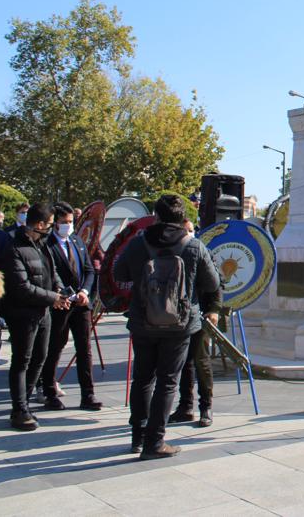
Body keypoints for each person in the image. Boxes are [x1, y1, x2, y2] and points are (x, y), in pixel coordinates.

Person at [115, 195, 221, 459]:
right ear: (182, 217)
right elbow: (212, 283)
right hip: (179, 324)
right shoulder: (193, 245)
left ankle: (137, 437)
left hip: (142, 321)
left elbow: (119, 274)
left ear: (156, 215)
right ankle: (155, 442)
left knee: (142, 379)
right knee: (167, 381)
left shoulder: (138, 243)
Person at [0, 202, 70, 430]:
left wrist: (59, 291)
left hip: (43, 312)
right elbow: (21, 287)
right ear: (39, 224)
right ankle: (19, 409)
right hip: (22, 314)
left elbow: (53, 271)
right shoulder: (14, 248)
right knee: (22, 361)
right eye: (50, 225)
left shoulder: (42, 245)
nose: (53, 228)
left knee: (40, 358)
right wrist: (52, 297)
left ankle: (25, 403)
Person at [41, 202, 100, 411]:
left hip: (81, 304)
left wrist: (84, 291)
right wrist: (68, 294)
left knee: (84, 348)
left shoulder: (77, 241)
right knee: (54, 347)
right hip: (60, 303)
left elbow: (89, 269)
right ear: (55, 223)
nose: (68, 225)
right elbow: (50, 273)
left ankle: (88, 394)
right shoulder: (46, 244)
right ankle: (49, 391)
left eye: (70, 222)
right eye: (64, 222)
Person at [169, 219, 222, 427]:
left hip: (201, 314)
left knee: (201, 360)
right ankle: (185, 406)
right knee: (184, 362)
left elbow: (217, 283)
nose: (190, 234)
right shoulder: (173, 252)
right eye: (186, 231)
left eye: (192, 230)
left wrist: (214, 310)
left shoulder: (202, 250)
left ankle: (206, 406)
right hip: (179, 316)